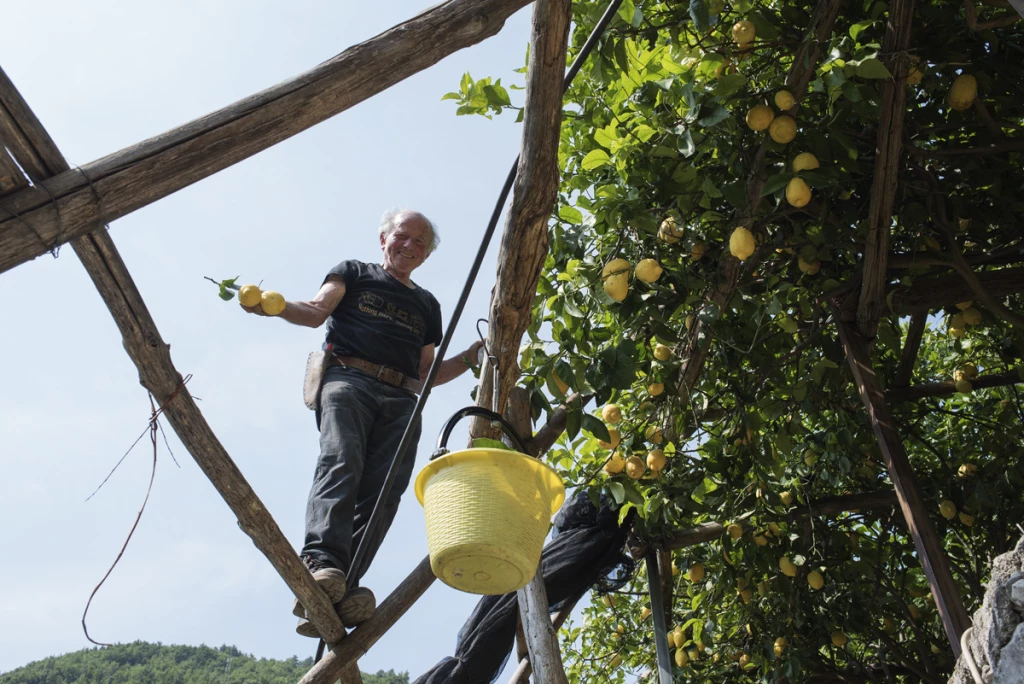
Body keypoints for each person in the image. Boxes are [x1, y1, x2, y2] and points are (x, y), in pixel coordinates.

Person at [242, 209, 482, 637]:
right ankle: (322, 562)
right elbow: (316, 311)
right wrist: (272, 307)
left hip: (402, 399)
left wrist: (471, 355)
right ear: (383, 238)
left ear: (426, 257)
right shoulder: (354, 272)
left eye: (419, 243)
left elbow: (426, 373)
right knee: (342, 460)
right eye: (402, 236)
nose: (409, 246)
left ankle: (343, 585)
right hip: (348, 378)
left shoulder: (428, 305)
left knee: (386, 490)